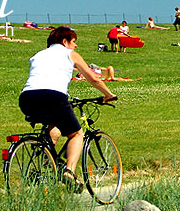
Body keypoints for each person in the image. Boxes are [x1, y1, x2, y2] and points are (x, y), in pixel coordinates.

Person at [19, 27, 117, 189]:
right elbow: (93, 78)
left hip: (27, 98)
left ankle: (47, 158)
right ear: (64, 42)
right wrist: (108, 94)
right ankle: (69, 172)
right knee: (77, 134)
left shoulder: (38, 55)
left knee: (55, 122)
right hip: (54, 97)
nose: (75, 46)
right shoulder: (69, 54)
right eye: (73, 42)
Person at [74, 64, 139, 81]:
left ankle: (133, 79)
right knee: (117, 78)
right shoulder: (85, 74)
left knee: (110, 68)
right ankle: (112, 78)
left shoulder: (91, 69)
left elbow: (101, 68)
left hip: (103, 75)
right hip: (101, 77)